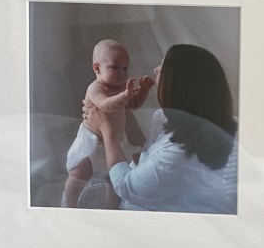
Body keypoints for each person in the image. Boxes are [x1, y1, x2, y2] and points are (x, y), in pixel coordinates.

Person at [82, 43, 238, 214]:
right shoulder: (169, 120)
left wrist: (107, 129)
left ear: (179, 86)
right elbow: (145, 152)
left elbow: (125, 185)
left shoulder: (179, 154)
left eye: (163, 68)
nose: (156, 69)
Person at [63, 39, 154, 208]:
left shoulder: (120, 88)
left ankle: (110, 208)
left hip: (112, 145)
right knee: (77, 176)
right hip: (92, 144)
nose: (121, 73)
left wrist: (144, 90)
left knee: (114, 182)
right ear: (97, 68)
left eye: (125, 68)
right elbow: (104, 104)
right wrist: (124, 96)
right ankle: (68, 206)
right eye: (115, 67)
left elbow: (134, 104)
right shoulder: (96, 88)